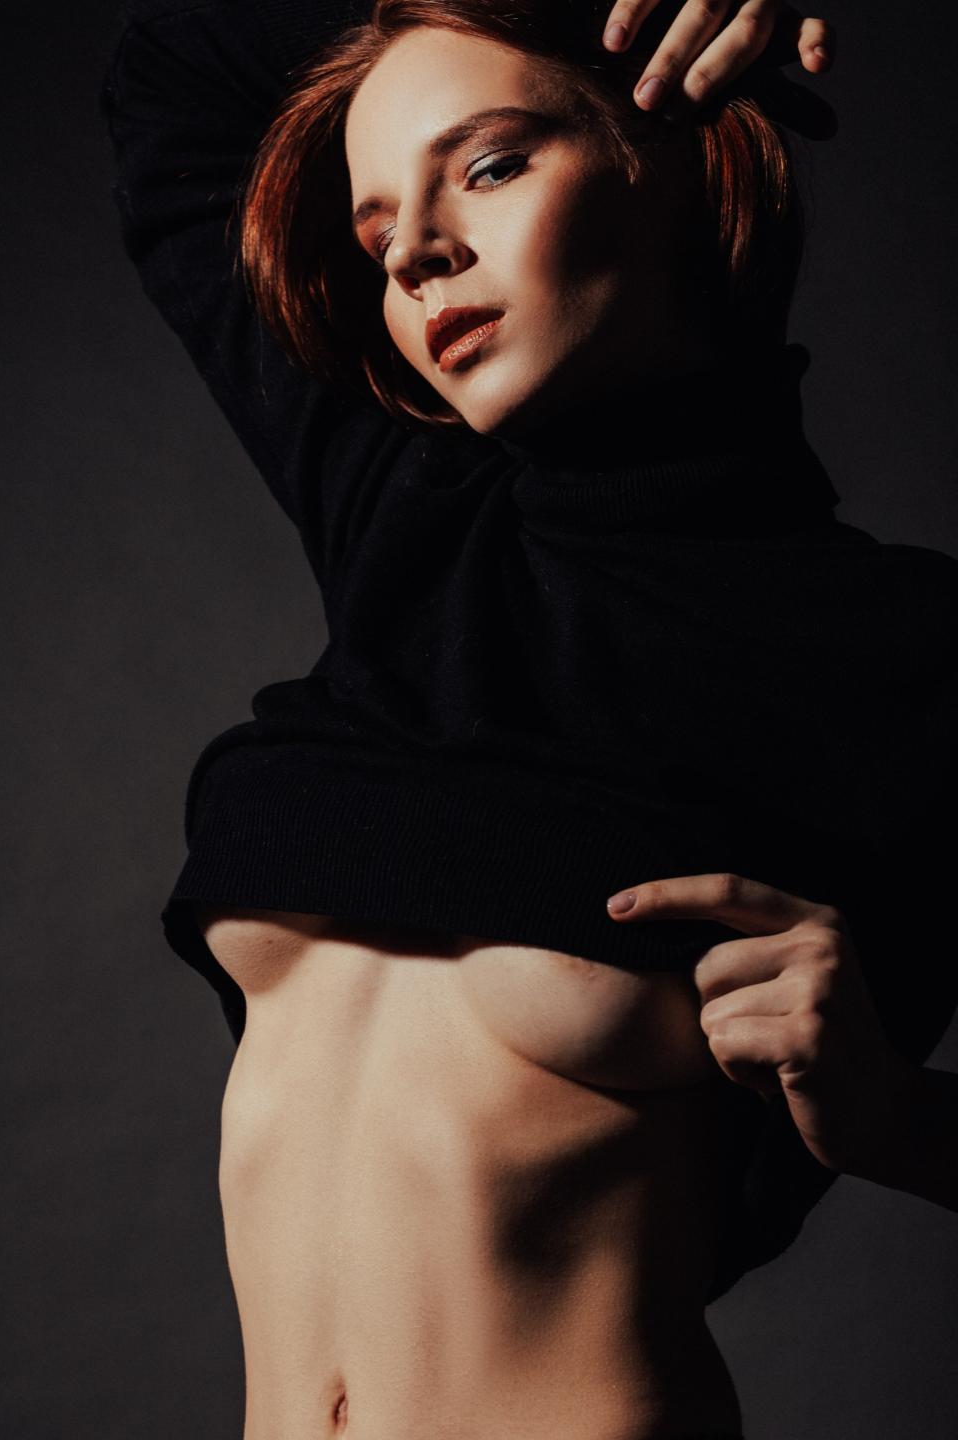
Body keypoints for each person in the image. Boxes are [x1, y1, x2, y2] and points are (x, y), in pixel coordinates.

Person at [100, 0, 958, 1435]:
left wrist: (893, 1116)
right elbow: (172, 66)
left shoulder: (896, 655)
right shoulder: (410, 531)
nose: (416, 252)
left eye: (491, 165)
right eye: (379, 229)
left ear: (678, 157)